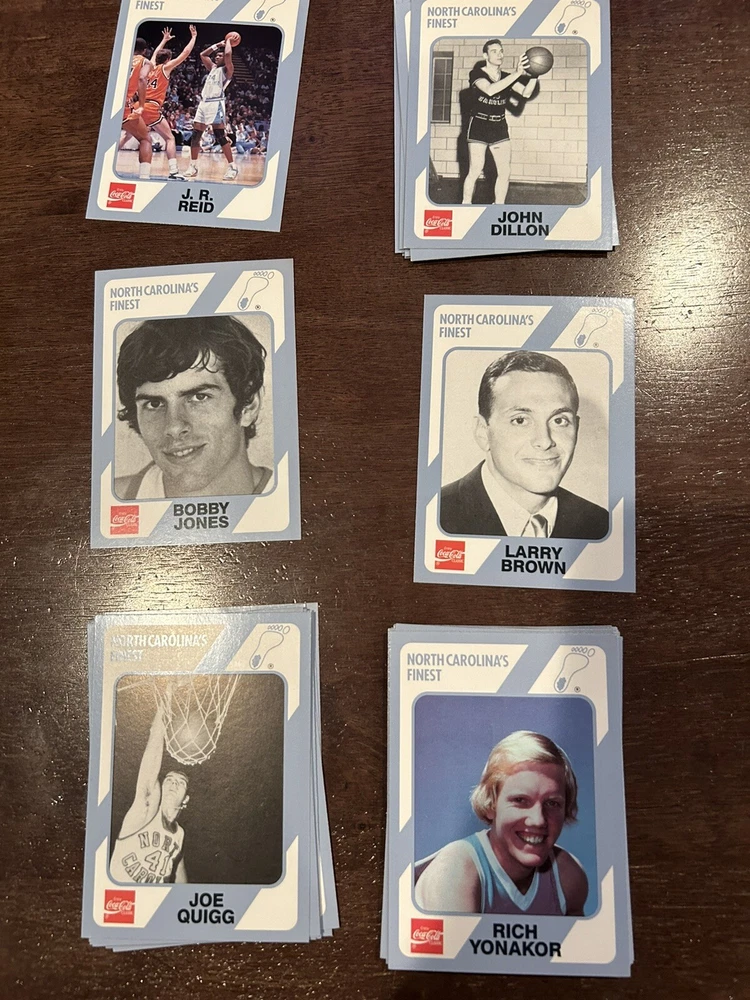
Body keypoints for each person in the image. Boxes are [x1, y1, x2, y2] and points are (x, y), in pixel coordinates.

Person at [414, 731, 588, 916]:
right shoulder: (455, 870)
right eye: (520, 800)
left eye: (552, 803)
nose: (538, 820)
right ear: (491, 804)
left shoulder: (566, 876)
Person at [439, 351, 608, 539]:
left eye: (559, 421)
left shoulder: (600, 525)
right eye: (520, 420)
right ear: (482, 432)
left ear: (576, 428)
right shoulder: (436, 515)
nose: (544, 441)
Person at [115, 315, 271, 500]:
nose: (174, 427)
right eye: (154, 404)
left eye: (199, 397)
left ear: (249, 405)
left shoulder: (291, 498)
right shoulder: (109, 500)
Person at [109, 703, 189, 884]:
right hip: (124, 895)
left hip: (152, 897)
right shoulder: (146, 810)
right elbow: (149, 765)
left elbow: (179, 874)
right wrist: (164, 705)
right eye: (169, 779)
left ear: (185, 800)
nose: (173, 783)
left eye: (181, 783)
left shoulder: (180, 835)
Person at [462, 39, 538, 205]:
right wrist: (517, 74)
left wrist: (535, 74)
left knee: (504, 171)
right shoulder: (476, 74)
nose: (499, 54)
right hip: (479, 125)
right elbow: (490, 90)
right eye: (494, 51)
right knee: (475, 170)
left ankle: (499, 206)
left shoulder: (506, 77)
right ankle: (465, 205)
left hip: (499, 127)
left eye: (501, 51)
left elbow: (525, 93)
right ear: (485, 55)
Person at [121, 25, 198, 180]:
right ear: (168, 59)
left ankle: (108, 158)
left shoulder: (149, 66)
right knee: (169, 138)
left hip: (135, 105)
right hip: (151, 107)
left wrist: (164, 40)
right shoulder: (165, 68)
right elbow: (185, 53)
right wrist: (194, 37)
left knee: (128, 135)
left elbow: (155, 53)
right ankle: (173, 171)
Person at [185, 36, 238, 181]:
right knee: (196, 135)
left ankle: (232, 167)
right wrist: (218, 44)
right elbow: (203, 54)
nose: (217, 57)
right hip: (204, 103)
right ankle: (193, 166)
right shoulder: (213, 68)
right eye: (216, 55)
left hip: (216, 103)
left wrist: (228, 41)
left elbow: (228, 54)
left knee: (220, 135)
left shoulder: (227, 70)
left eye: (220, 56)